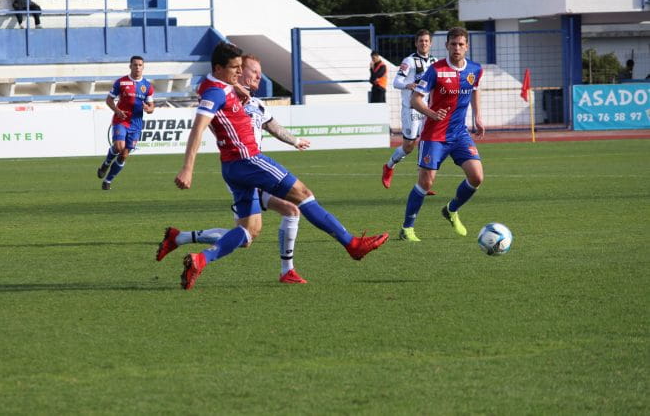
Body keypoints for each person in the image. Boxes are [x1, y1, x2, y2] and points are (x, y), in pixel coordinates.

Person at [168, 42, 388, 290]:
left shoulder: (215, 84)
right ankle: (352, 245)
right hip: (248, 159)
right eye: (235, 68)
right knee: (303, 196)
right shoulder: (214, 93)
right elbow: (197, 128)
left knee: (247, 231)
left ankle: (201, 259)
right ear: (218, 68)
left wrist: (236, 87)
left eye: (241, 68)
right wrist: (187, 168)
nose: (239, 73)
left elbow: (220, 87)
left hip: (232, 168)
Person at [157, 54, 311, 284]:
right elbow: (204, 87)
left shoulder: (256, 104)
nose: (257, 76)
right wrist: (235, 86)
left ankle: (180, 239)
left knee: (246, 235)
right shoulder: (225, 95)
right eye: (252, 71)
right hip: (245, 169)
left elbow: (273, 126)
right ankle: (286, 270)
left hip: (256, 169)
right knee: (290, 210)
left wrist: (295, 141)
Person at [399, 26, 484, 242]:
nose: (457, 48)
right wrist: (431, 113)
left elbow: (474, 91)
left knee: (477, 177)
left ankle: (451, 209)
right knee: (426, 183)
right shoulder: (435, 70)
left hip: (459, 134)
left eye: (461, 44)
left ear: (467, 47)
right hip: (434, 135)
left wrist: (478, 117)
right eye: (453, 44)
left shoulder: (475, 69)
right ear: (446, 45)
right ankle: (407, 228)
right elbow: (415, 99)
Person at [382, 29, 437, 191]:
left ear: (430, 43)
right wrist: (408, 84)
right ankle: (389, 166)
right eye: (421, 41)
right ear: (416, 43)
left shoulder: (435, 62)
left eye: (427, 41)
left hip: (427, 109)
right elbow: (396, 82)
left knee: (427, 143)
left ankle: (423, 183)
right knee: (409, 146)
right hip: (411, 108)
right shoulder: (410, 61)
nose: (424, 43)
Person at [97, 56, 155, 190]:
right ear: (130, 66)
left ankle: (108, 180)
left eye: (140, 65)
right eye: (135, 65)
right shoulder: (121, 82)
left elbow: (152, 106)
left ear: (143, 67)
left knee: (124, 155)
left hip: (136, 124)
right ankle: (106, 163)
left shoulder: (147, 86)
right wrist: (117, 111)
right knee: (119, 147)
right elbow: (109, 100)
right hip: (121, 120)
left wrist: (149, 108)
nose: (138, 67)